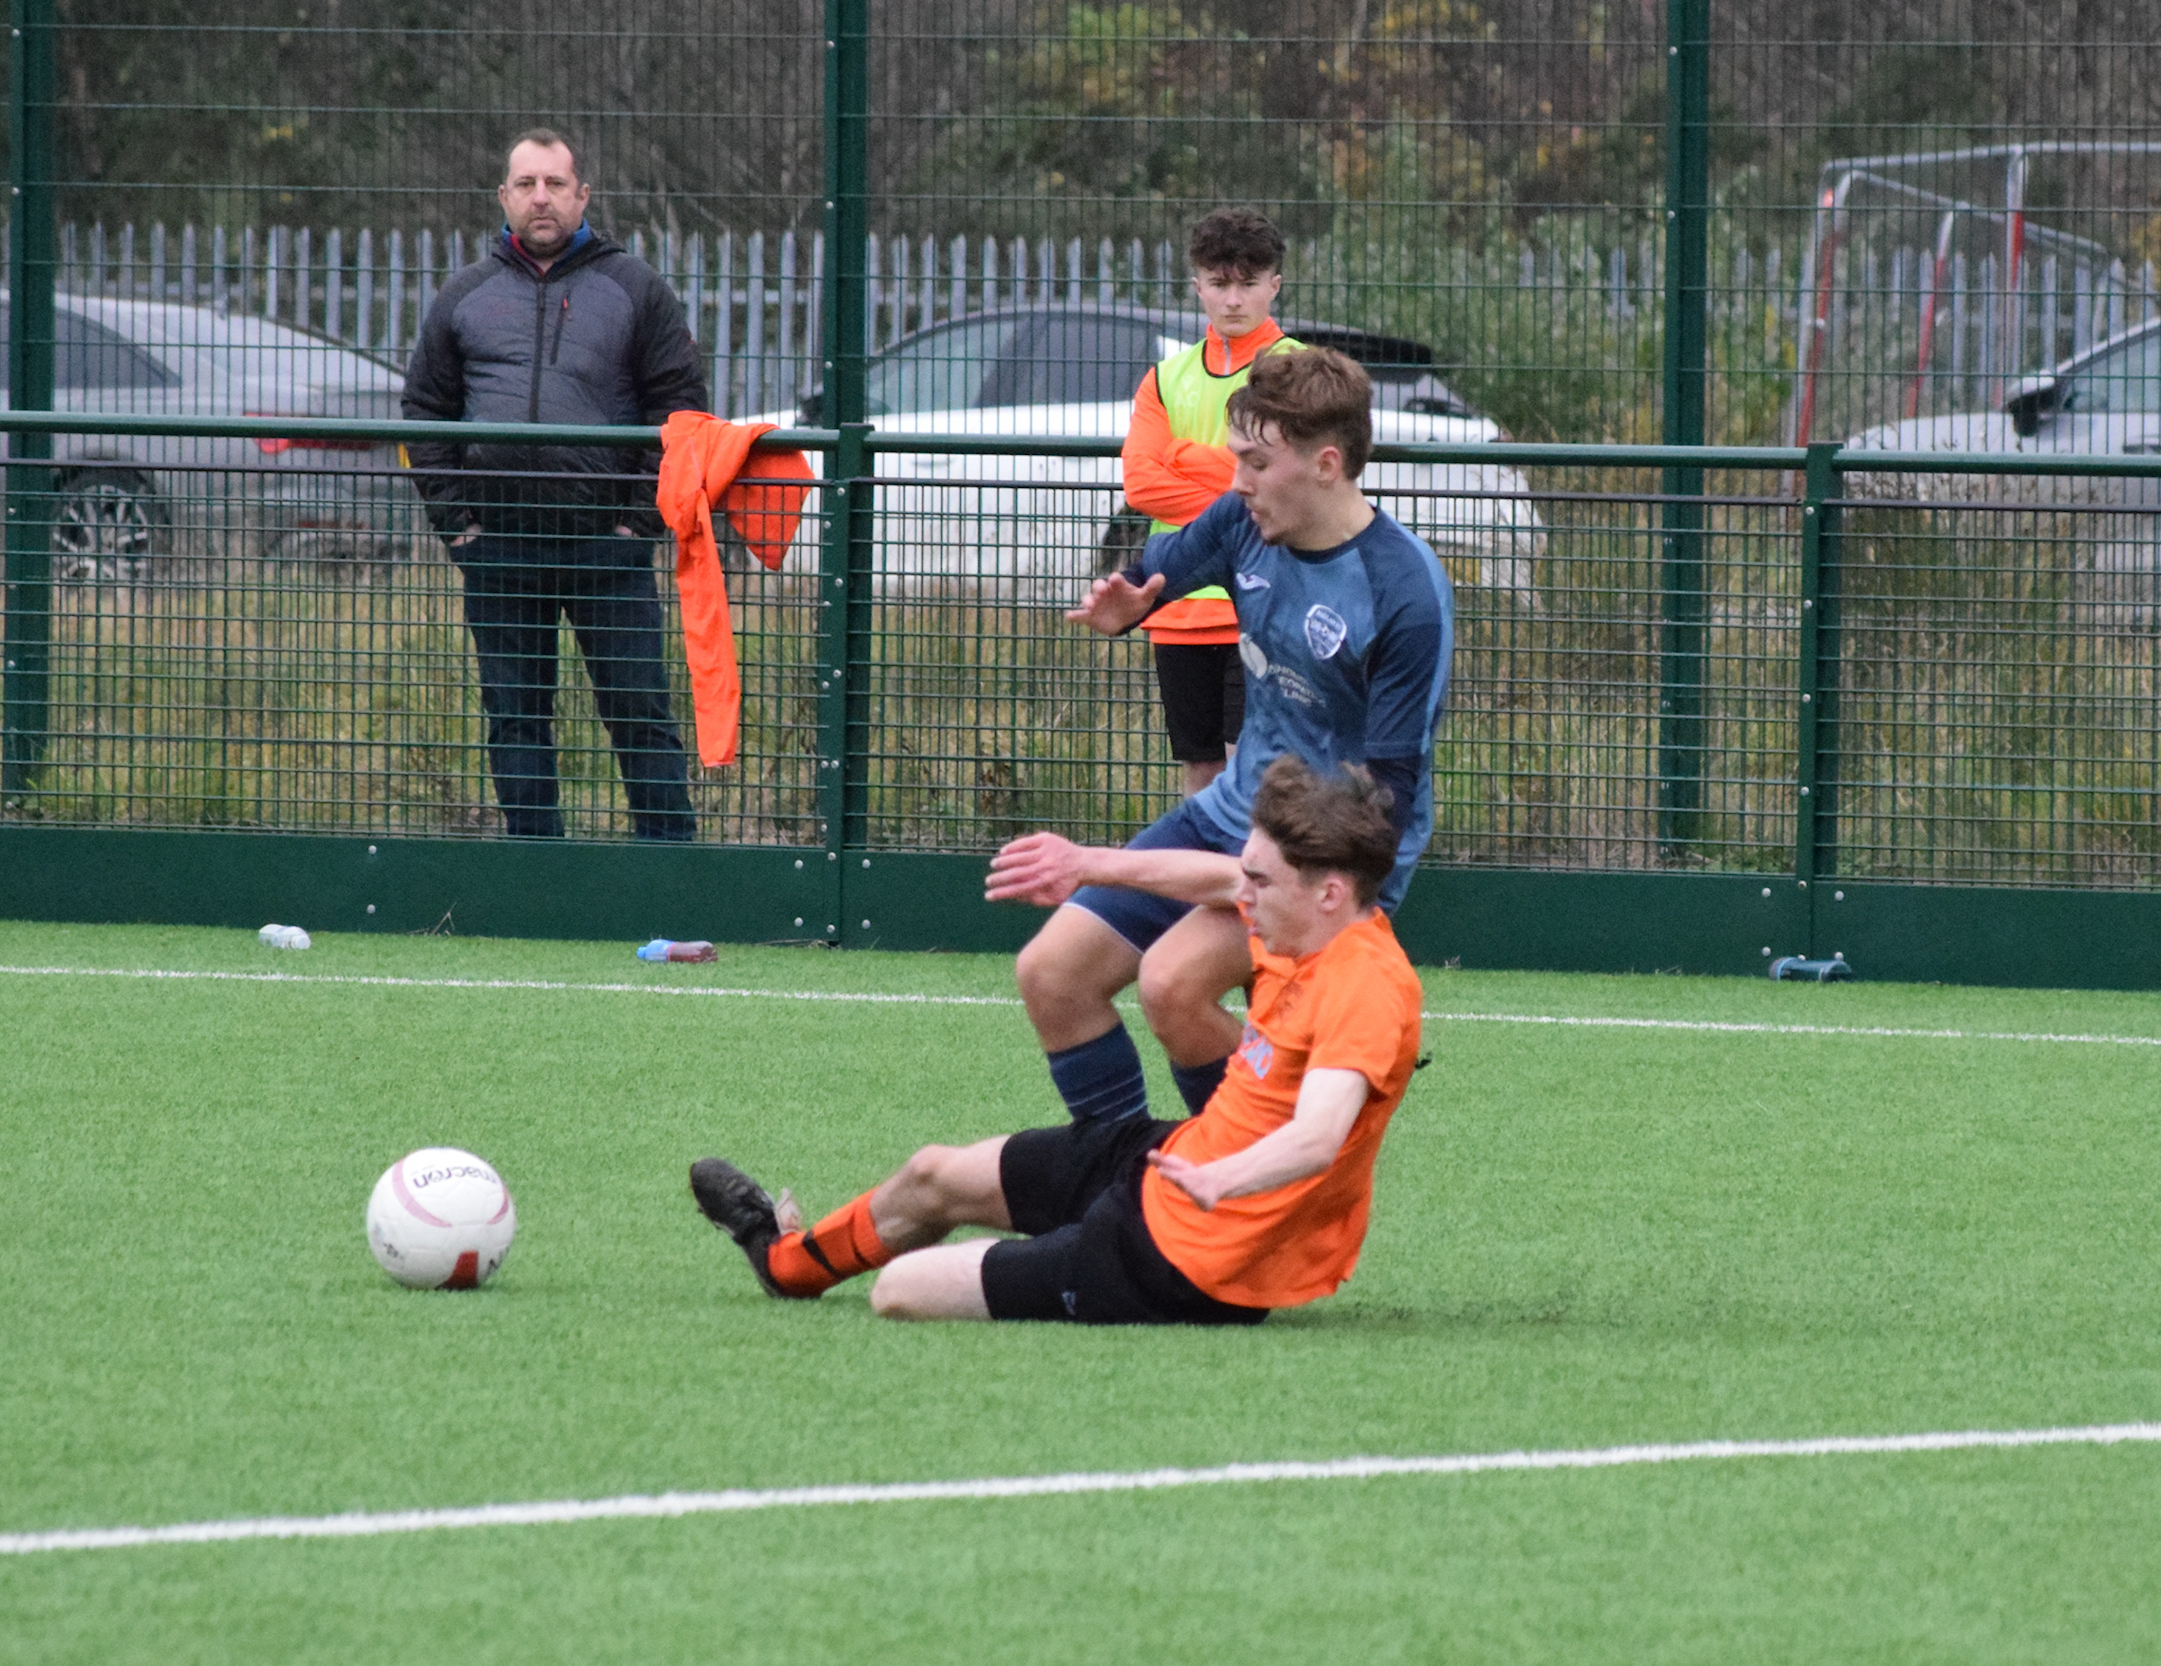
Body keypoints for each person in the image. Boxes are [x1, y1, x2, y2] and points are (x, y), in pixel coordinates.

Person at [689, 756, 1425, 1325]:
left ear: (1329, 892)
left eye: (1260, 882)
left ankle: (1065, 1253)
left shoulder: (1364, 983)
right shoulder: (1303, 923)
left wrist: (1219, 1181)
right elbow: (1210, 875)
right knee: (932, 1176)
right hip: (1167, 1162)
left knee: (899, 1290)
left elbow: (1319, 1136)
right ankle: (785, 1264)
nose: (1244, 896)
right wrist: (1085, 864)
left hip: (1190, 1255)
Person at [989, 347, 1452, 1128]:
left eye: (1256, 462)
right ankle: (1126, 1186)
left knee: (1172, 985)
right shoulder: (1244, 521)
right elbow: (1155, 572)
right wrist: (1127, 602)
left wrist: (1296, 884)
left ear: (1327, 464)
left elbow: (1386, 808)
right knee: (1051, 974)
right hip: (1230, 812)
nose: (1236, 481)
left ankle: (1264, 1174)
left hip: (1330, 855)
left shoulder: (1403, 593)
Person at [403, 127, 708, 840]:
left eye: (556, 184)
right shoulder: (464, 295)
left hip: (611, 554)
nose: (542, 198)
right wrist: (459, 527)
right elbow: (423, 411)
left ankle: (671, 871)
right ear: (503, 197)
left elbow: (682, 409)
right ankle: (536, 874)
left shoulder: (635, 288)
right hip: (499, 549)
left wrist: (639, 525)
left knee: (639, 712)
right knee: (515, 718)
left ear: (583, 195)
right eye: (526, 184)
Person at [1121, 208, 1302, 798]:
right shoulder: (1166, 377)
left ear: (1274, 285)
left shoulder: (1295, 370)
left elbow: (1281, 481)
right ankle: (1207, 892)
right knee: (1201, 778)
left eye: (1248, 283)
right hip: (1175, 607)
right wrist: (1234, 477)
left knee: (1255, 777)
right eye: (1219, 283)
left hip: (1265, 604)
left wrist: (1186, 456)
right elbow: (1142, 485)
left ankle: (1259, 891)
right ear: (1197, 285)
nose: (1233, 300)